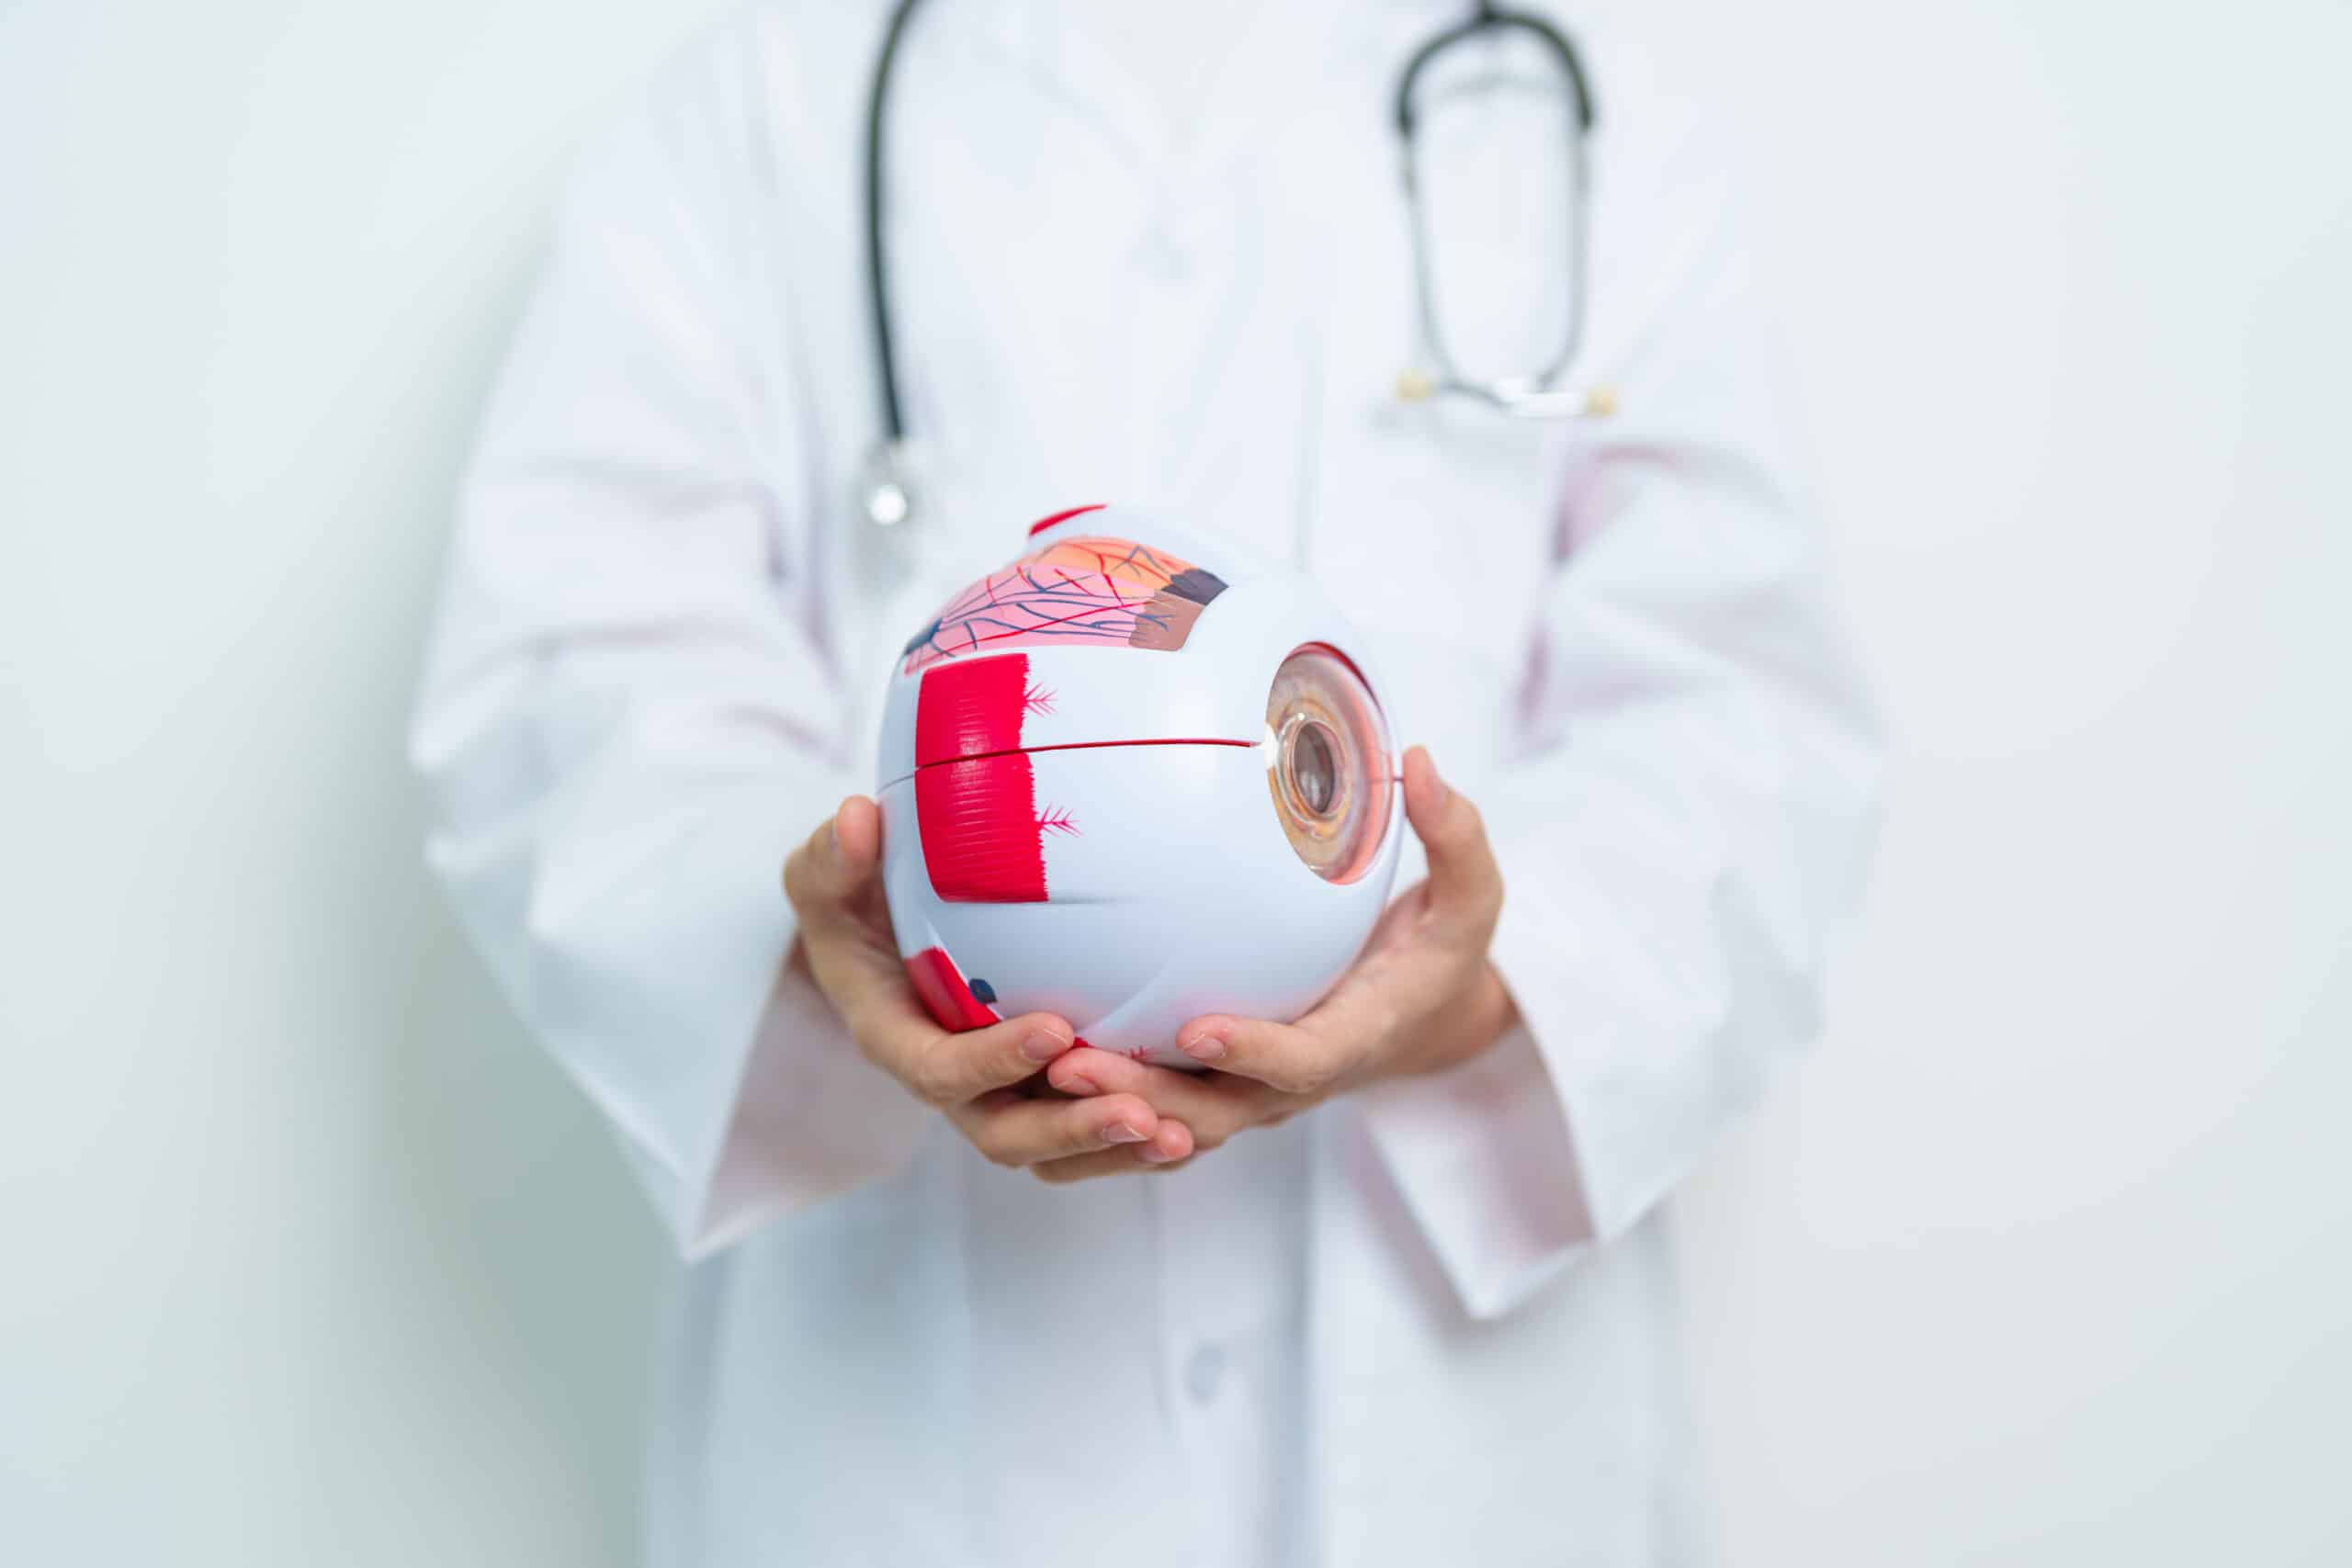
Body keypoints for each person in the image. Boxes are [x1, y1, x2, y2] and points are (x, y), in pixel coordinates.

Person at [410, 3, 1881, 1562]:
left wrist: (1473, 995)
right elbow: (564, 683)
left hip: (1465, 1451)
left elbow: (1749, 725)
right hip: (902, 1441)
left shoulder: (1571, 129)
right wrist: (826, 937)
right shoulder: (765, 108)